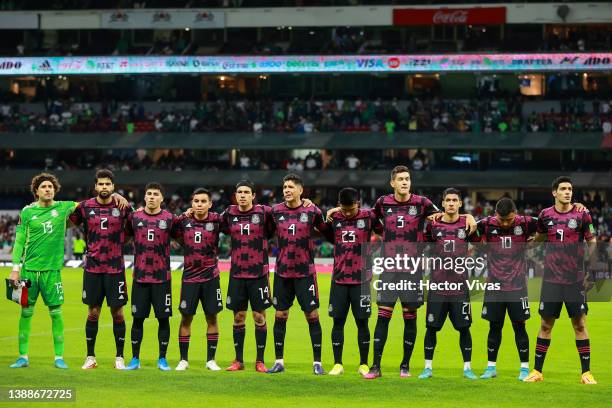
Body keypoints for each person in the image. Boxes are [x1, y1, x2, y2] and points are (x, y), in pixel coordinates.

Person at [9, 172, 127, 370]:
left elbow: (94, 202)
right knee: (26, 312)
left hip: (52, 271)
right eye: (43, 187)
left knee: (56, 313)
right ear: (36, 191)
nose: (48, 189)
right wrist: (15, 269)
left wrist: (117, 196)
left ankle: (59, 357)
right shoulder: (27, 212)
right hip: (28, 271)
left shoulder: (64, 207)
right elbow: (19, 241)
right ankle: (23, 356)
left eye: (50, 187)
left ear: (55, 190)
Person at [523, 176, 597, 384]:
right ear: (554, 192)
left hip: (575, 280)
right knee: (545, 325)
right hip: (551, 280)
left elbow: (592, 242)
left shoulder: (583, 214)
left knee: (580, 324)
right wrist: (529, 245)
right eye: (563, 189)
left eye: (570, 189)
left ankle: (586, 373)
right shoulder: (545, 215)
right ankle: (537, 371)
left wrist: (590, 269)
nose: (568, 192)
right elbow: (539, 237)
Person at [267, 174, 331, 375]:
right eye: (284, 186)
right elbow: (263, 230)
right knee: (280, 314)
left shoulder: (312, 210)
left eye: (291, 187)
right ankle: (278, 362)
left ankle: (317, 363)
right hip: (282, 272)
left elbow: (328, 231)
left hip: (305, 272)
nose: (286, 190)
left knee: (311, 315)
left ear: (300, 190)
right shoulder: (275, 211)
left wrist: (336, 211)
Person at [70, 169, 132, 370]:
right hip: (93, 268)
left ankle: (120, 357)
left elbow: (136, 228)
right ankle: (90, 357)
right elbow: (66, 220)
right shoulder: (85, 207)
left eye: (108, 184)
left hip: (115, 268)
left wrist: (120, 243)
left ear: (113, 186)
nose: (104, 187)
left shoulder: (123, 207)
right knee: (93, 312)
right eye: (101, 184)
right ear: (95, 186)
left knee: (118, 313)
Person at [418, 188, 481, 380]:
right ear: (443, 204)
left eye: (455, 200)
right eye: (448, 200)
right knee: (431, 328)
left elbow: (479, 244)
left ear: (460, 204)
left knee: (464, 328)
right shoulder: (433, 225)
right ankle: (427, 368)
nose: (451, 203)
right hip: (437, 287)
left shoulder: (467, 224)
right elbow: (425, 247)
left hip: (459, 288)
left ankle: (467, 368)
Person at [327, 188, 382, 376]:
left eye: (351, 209)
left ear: (358, 203)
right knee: (338, 322)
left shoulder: (369, 217)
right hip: (339, 279)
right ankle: (337, 364)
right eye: (344, 209)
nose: (347, 213)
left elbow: (387, 230)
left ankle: (364, 364)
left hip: (362, 280)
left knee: (362, 322)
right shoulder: (335, 218)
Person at [124, 182, 179, 371]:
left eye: (156, 194)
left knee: (163, 319)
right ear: (145, 197)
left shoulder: (170, 219)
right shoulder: (134, 217)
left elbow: (183, 236)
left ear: (162, 198)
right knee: (137, 319)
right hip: (140, 277)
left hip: (162, 278)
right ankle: (134, 359)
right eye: (149, 193)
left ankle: (162, 359)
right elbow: (123, 236)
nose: (152, 197)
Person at [222, 180, 274, 373]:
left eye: (246, 192)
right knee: (239, 317)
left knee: (259, 317)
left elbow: (288, 213)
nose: (242, 195)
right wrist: (190, 213)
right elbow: (207, 220)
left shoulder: (264, 212)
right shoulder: (228, 214)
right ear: (235, 195)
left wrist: (307, 202)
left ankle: (260, 361)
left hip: (258, 274)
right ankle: (239, 360)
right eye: (239, 192)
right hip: (237, 274)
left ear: (253, 195)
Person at [174, 188, 223, 371]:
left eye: (203, 201)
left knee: (212, 318)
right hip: (190, 278)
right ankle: (183, 360)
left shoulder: (218, 220)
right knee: (186, 318)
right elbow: (164, 223)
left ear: (210, 204)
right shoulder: (183, 221)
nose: (199, 204)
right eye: (196, 201)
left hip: (211, 278)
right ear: (191, 204)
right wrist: (181, 215)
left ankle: (211, 360)